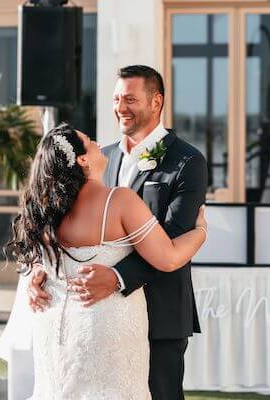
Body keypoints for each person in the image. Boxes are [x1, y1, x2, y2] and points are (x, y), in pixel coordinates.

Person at [29, 65, 209, 399]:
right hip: (94, 318)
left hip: (160, 311)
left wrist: (117, 277)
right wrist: (43, 269)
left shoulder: (187, 161)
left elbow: (171, 240)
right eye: (115, 98)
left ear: (156, 102)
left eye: (129, 99)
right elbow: (68, 230)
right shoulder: (103, 157)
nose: (120, 107)